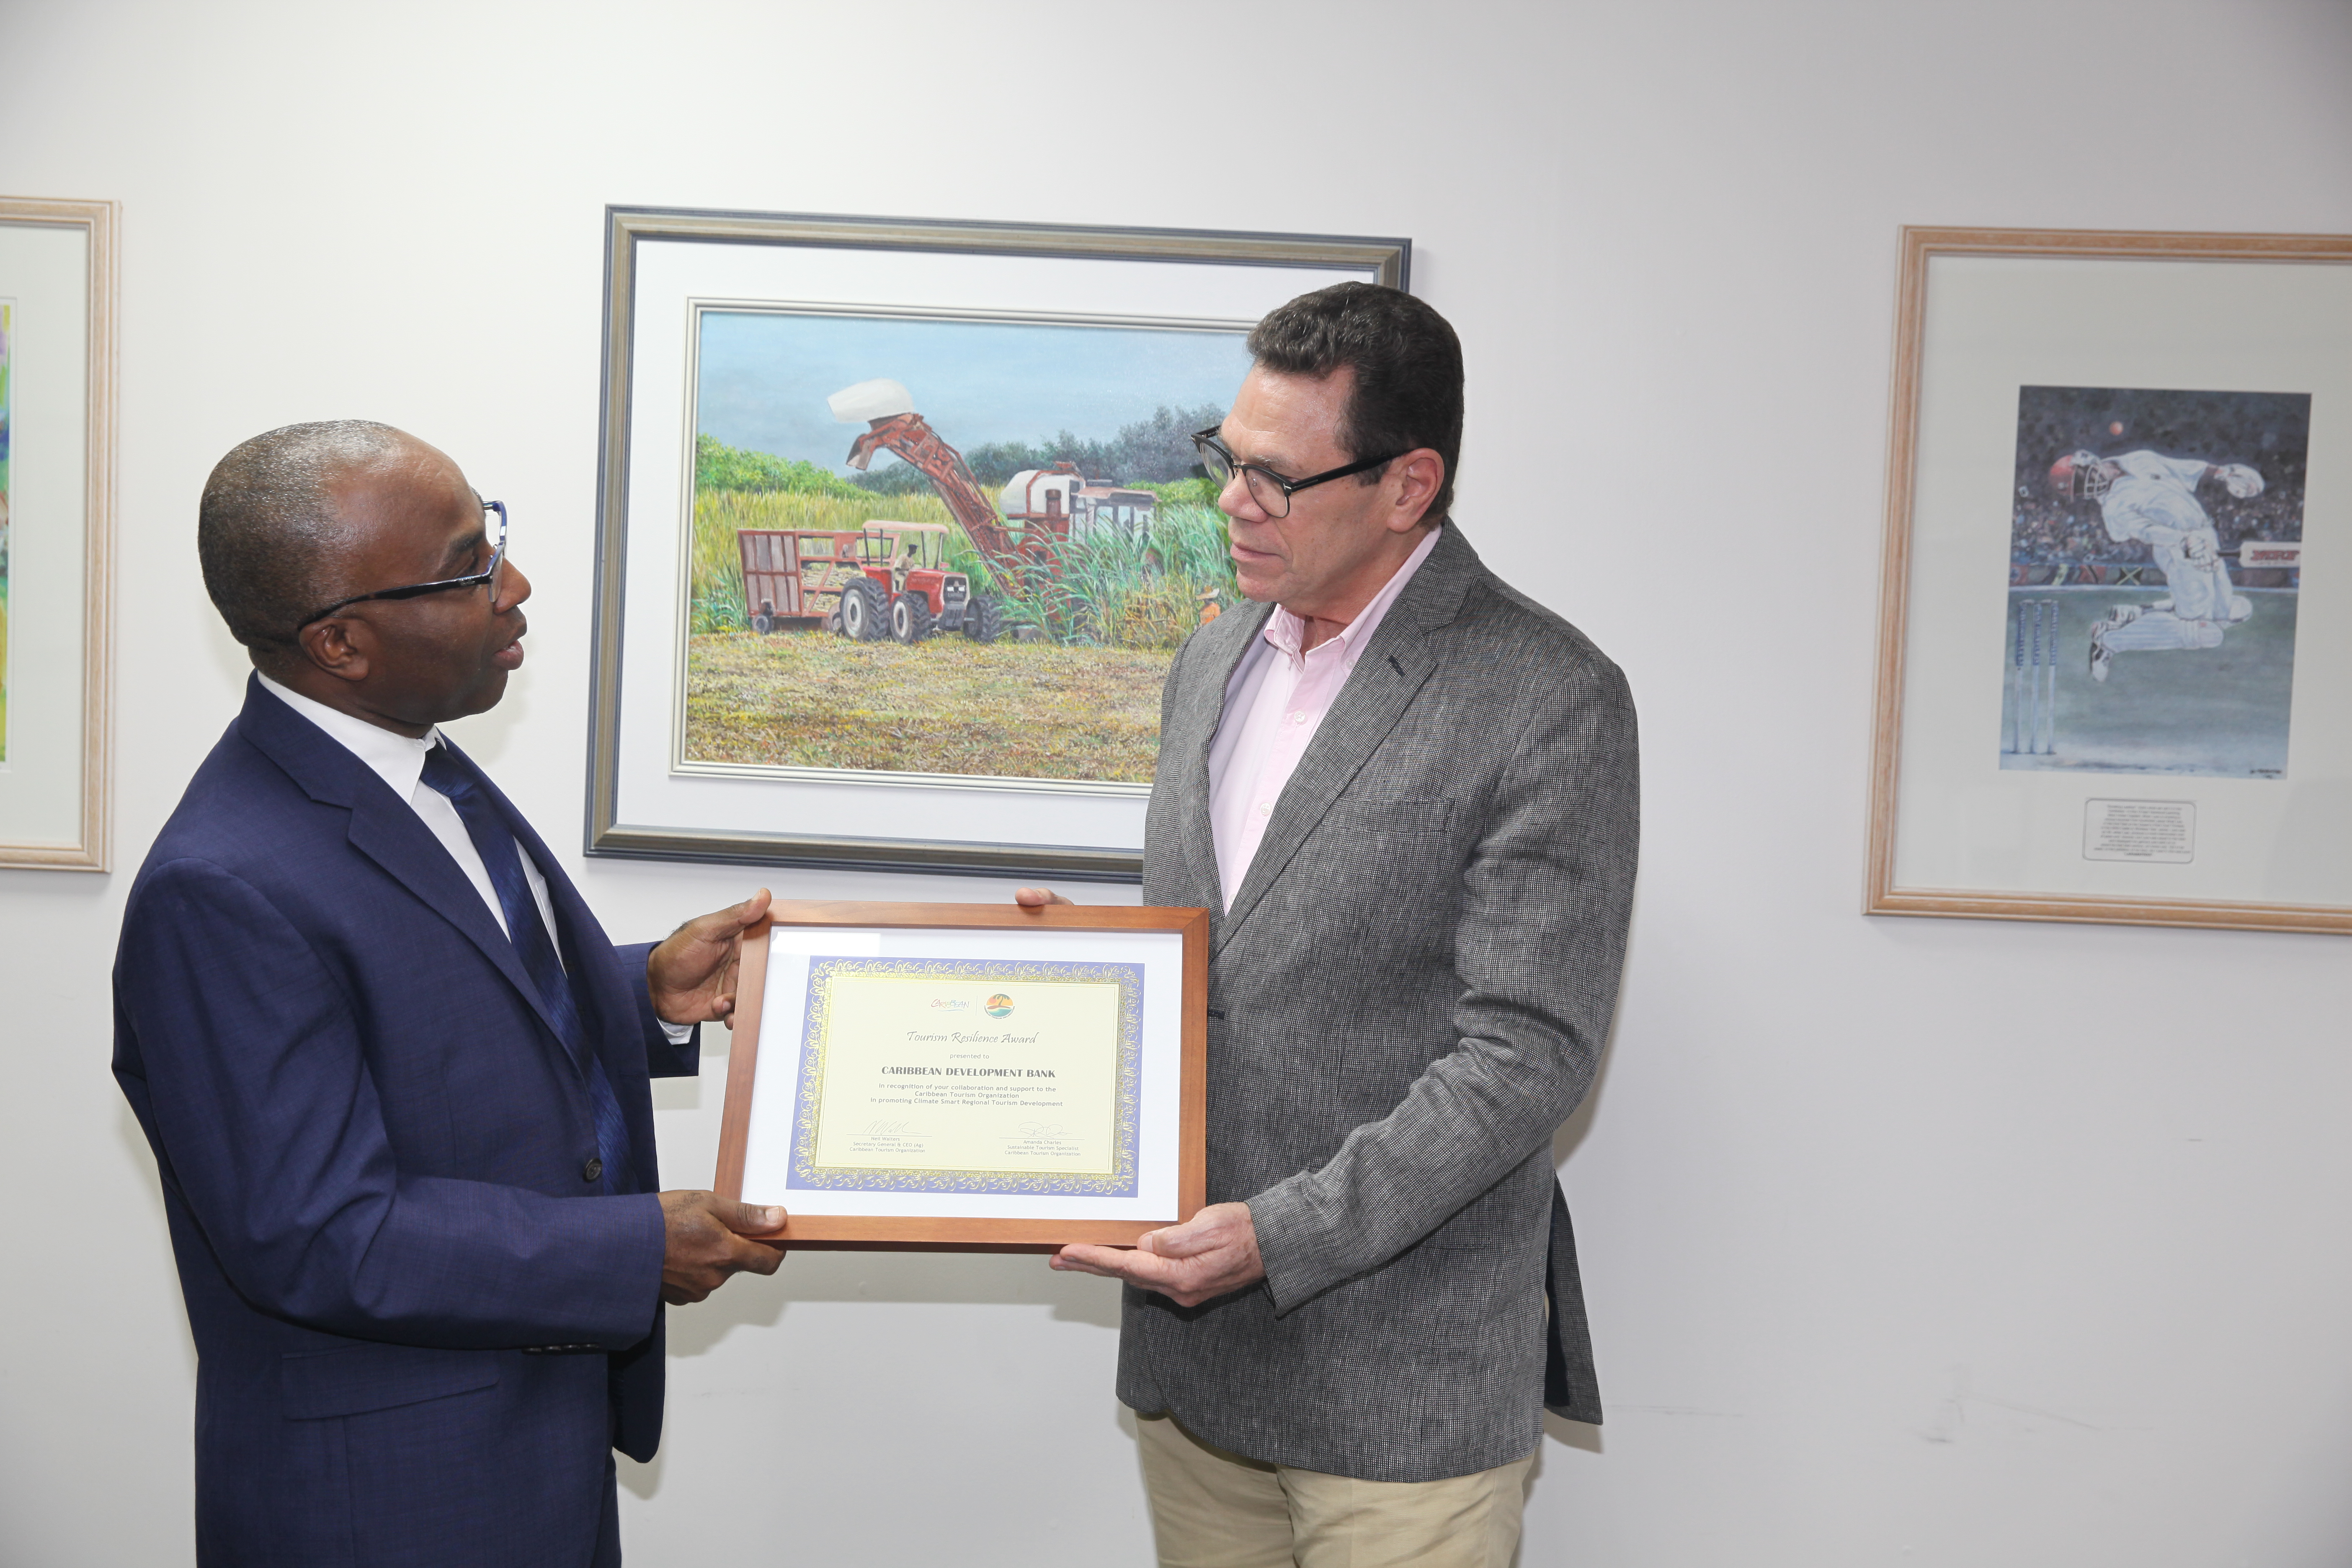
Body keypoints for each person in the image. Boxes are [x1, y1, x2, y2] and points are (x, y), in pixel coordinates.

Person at [1019, 283, 1640, 1566]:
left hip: (1399, 1381)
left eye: (1276, 479)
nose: (1232, 503)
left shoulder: (1550, 696)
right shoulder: (1213, 658)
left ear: (1410, 485)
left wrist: (1279, 1233)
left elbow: (1527, 1055)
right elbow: (1238, 953)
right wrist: (1098, 968)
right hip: (1198, 1375)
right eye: (1225, 461)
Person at [113, 421, 789, 1568]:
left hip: (532, 1462)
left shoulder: (416, 762)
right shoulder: (219, 887)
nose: (514, 586)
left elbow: (438, 1017)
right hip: (388, 1506)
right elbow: (322, 1233)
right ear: (342, 643)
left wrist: (645, 997)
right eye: (472, 566)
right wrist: (627, 1251)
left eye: (497, 535)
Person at [2050, 448, 2265, 681]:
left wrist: (2225, 473)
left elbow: (2187, 469)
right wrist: (2185, 542)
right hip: (2179, 549)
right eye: (2080, 490)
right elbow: (2147, 531)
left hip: (2205, 533)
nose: (2088, 488)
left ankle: (2139, 613)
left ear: (2089, 462)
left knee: (2233, 612)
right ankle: (2108, 642)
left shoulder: (2139, 459)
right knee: (2208, 633)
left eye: (2083, 480)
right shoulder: (2113, 506)